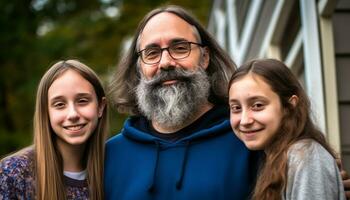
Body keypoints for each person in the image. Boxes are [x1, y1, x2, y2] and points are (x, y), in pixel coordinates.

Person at [104, 5, 260, 199]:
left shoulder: (249, 139)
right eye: (152, 53)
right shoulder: (110, 156)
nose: (166, 62)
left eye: (179, 48)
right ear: (139, 68)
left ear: (205, 58)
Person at [228, 58, 346, 200]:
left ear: (289, 106)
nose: (245, 120)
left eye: (258, 105)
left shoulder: (304, 156)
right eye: (236, 108)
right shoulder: (272, 159)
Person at [0, 59, 108, 200]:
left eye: (82, 101)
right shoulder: (13, 174)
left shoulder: (114, 170)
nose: (73, 114)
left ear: (100, 107)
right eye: (59, 104)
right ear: (46, 112)